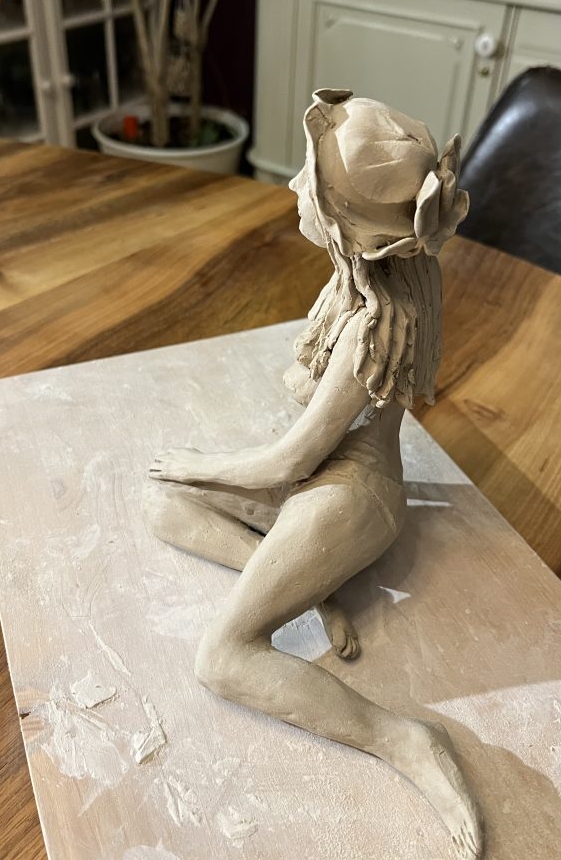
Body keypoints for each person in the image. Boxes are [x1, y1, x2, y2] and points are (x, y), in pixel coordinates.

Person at [148, 90, 482, 859]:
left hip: (349, 496)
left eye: (312, 184)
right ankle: (311, 591)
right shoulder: (381, 274)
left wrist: (203, 462)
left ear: (352, 228)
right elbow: (304, 395)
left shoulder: (370, 326)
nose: (296, 186)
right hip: (327, 475)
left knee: (223, 659)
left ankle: (404, 739)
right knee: (160, 503)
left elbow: (290, 459)